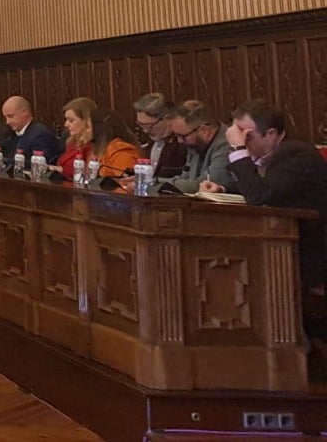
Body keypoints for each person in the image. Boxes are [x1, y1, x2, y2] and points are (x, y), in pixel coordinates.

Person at [201, 100, 327, 314]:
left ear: (270, 134)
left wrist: (238, 149)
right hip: (285, 240)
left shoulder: (296, 154)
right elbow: (266, 190)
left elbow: (260, 197)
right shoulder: (276, 153)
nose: (241, 141)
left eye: (247, 136)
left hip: (307, 247)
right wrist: (222, 189)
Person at [54, 97, 140, 183]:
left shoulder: (120, 149)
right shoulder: (95, 148)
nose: (86, 131)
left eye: (88, 127)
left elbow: (126, 183)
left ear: (99, 128)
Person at [166, 101, 236, 193]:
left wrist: (162, 184)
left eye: (183, 136)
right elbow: (186, 177)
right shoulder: (197, 145)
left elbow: (206, 185)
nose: (179, 141)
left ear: (204, 131)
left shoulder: (228, 144)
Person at [134, 92, 189, 179]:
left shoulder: (184, 143)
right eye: (141, 125)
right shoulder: (151, 142)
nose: (145, 131)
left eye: (149, 126)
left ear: (166, 118)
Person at [3, 95, 62, 164]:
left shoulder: (40, 134)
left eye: (10, 116)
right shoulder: (13, 134)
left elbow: (40, 164)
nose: (7, 122)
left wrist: (4, 162)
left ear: (25, 111)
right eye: (6, 117)